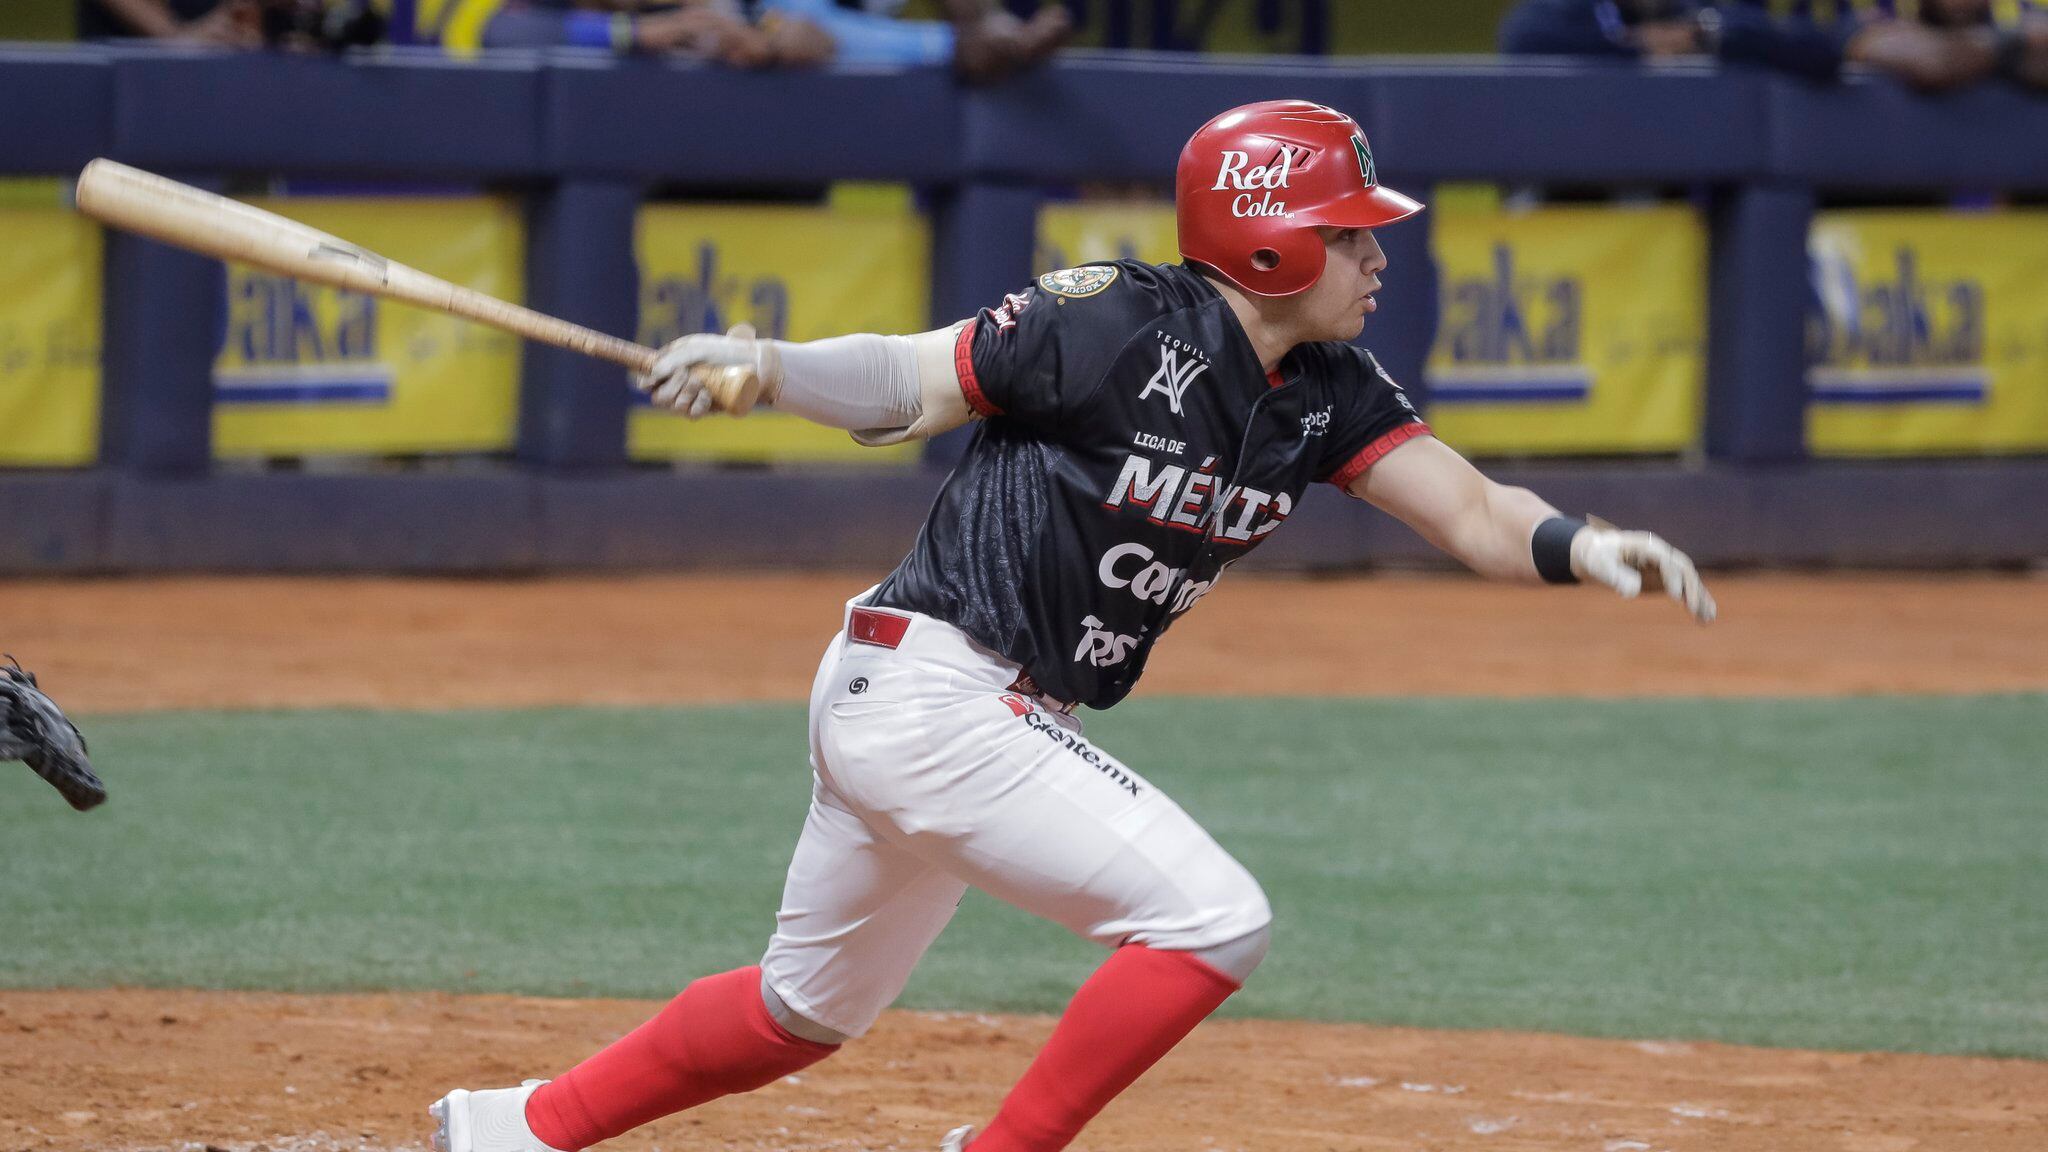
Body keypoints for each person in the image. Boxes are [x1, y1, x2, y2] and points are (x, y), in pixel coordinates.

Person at [425, 99, 1717, 1152]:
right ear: (1270, 245)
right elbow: (911, 378)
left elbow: (1480, 514)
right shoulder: (1109, 323)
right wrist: (770, 366)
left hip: (940, 708)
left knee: (800, 1014)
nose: (1380, 257)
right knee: (1214, 920)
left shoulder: (1328, 392)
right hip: (938, 695)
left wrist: (1585, 545)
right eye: (1353, 234)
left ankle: (512, 1129)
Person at [1500, 0, 2046, 90]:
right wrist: (1639, 48)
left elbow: (1813, 50)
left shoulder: (1713, 14)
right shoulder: (1570, 13)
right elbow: (1523, 37)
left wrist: (1702, 36)